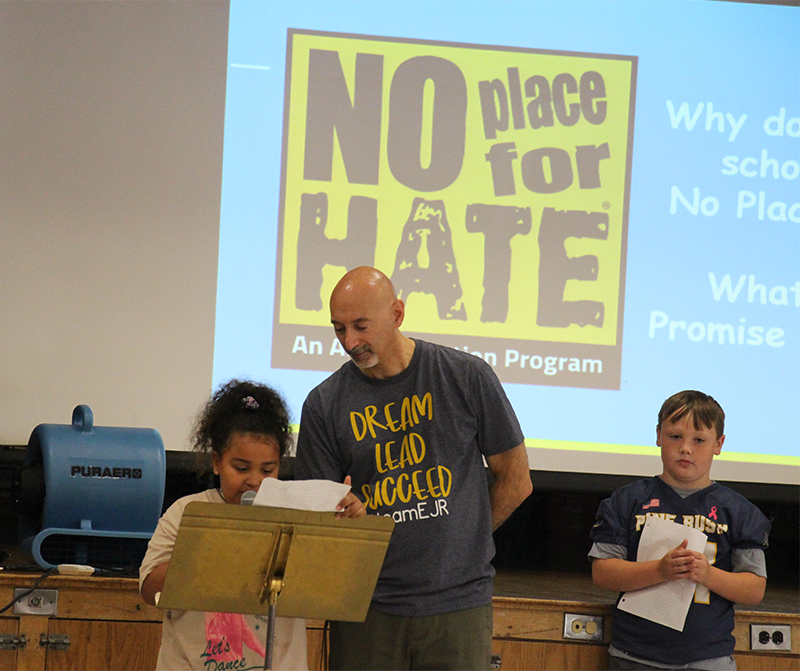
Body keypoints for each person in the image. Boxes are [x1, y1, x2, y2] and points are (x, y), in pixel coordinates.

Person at [295, 266, 533, 671]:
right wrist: (341, 518)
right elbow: (313, 519)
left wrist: (464, 536)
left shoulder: (465, 376)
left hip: (457, 604)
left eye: (361, 326)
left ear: (397, 314)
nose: (350, 342)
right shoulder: (324, 404)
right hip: (365, 607)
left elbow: (516, 479)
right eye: (338, 329)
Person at [139, 379, 364, 671]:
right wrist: (204, 547)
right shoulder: (186, 512)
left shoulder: (297, 513)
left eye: (268, 470)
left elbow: (337, 584)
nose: (255, 480)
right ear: (217, 462)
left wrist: (348, 523)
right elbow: (148, 589)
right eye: (241, 468)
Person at [589, 390, 771, 671]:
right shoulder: (626, 501)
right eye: (675, 437)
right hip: (633, 655)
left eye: (699, 440)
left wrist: (708, 574)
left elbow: (754, 589)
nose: (686, 448)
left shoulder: (738, 511)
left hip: (707, 658)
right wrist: (660, 570)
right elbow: (602, 573)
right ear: (658, 435)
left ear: (718, 444)